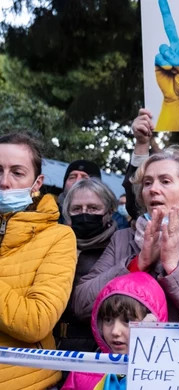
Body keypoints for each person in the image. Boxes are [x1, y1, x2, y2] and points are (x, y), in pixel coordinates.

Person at [72, 147, 179, 322]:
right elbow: (81, 303)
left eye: (165, 181)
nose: (153, 189)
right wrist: (138, 263)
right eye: (147, 183)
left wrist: (174, 266)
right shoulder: (122, 239)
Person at [0, 133, 77, 389]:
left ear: (37, 183)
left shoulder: (58, 237)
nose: (4, 182)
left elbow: (37, 321)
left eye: (17, 173)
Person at [62, 273, 168, 390]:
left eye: (127, 321)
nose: (115, 331)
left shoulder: (168, 375)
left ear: (153, 322)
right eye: (108, 320)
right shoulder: (81, 372)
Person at [55, 178, 119, 354]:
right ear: (67, 215)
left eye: (93, 208)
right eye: (77, 209)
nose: (84, 214)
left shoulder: (118, 250)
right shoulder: (55, 247)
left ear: (109, 212)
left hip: (97, 350)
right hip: (52, 348)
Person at [57, 159, 102, 224]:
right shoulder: (50, 215)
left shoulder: (109, 220)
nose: (77, 181)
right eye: (72, 177)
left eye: (84, 178)